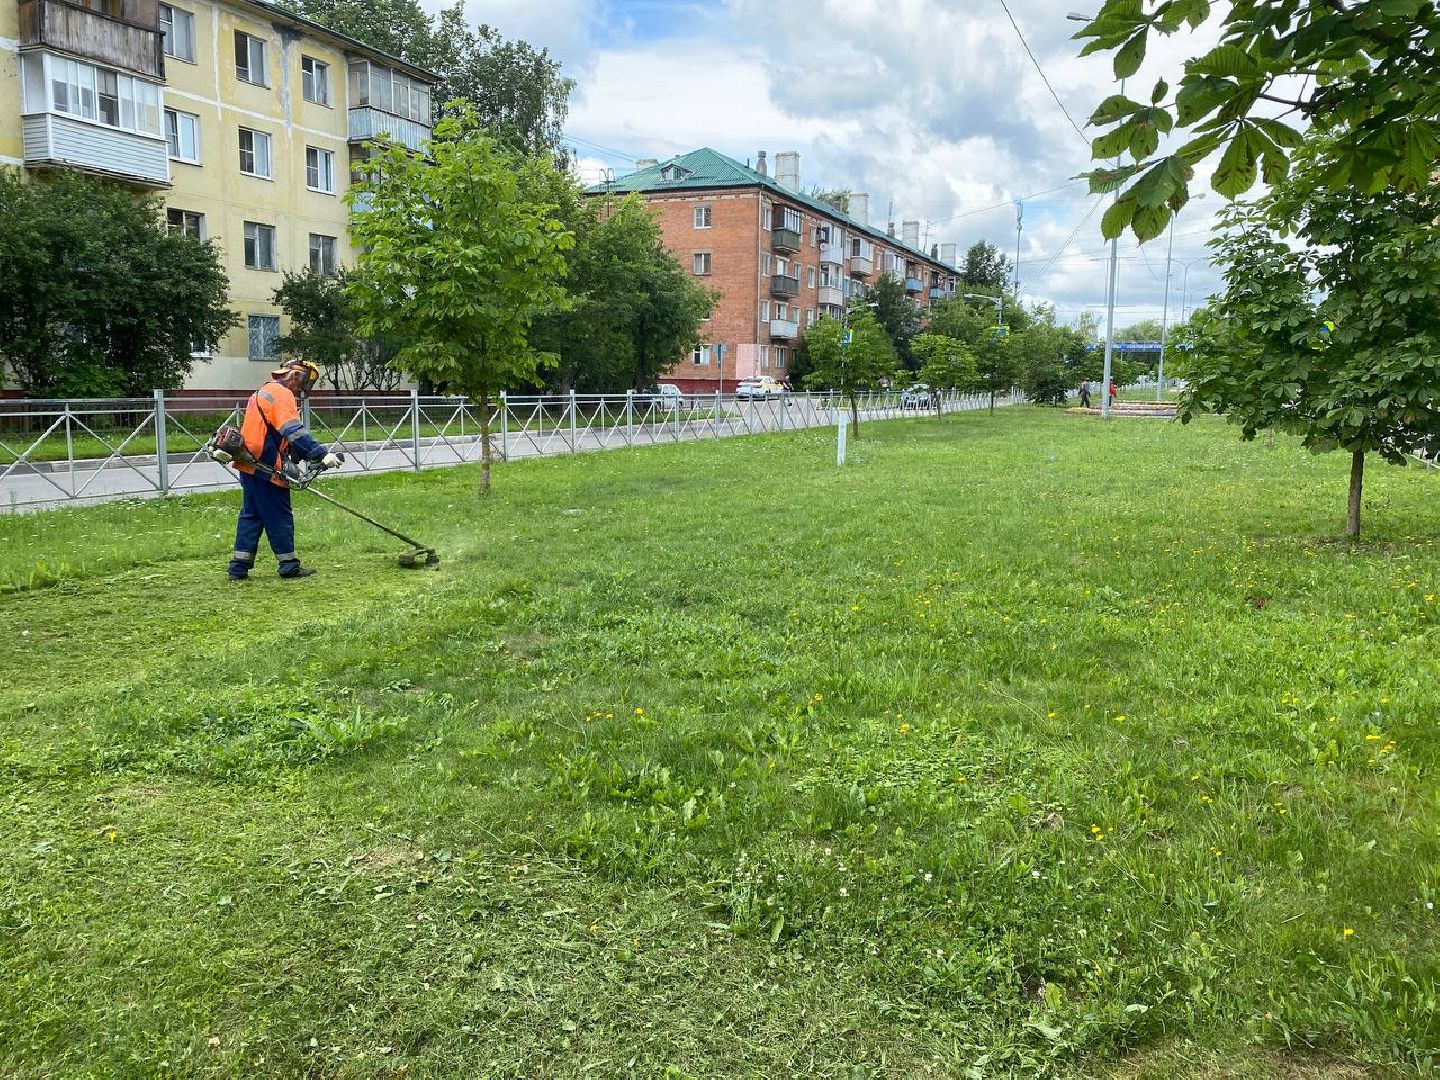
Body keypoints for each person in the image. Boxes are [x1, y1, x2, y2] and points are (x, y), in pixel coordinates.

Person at [227, 359, 341, 581]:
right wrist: (320, 454)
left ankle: (238, 567)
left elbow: (273, 431)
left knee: (252, 515)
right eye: (304, 382)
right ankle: (288, 566)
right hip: (266, 466)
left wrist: (297, 453)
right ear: (295, 376)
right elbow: (293, 430)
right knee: (279, 515)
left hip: (248, 461)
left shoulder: (263, 391)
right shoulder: (282, 394)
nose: (302, 389)